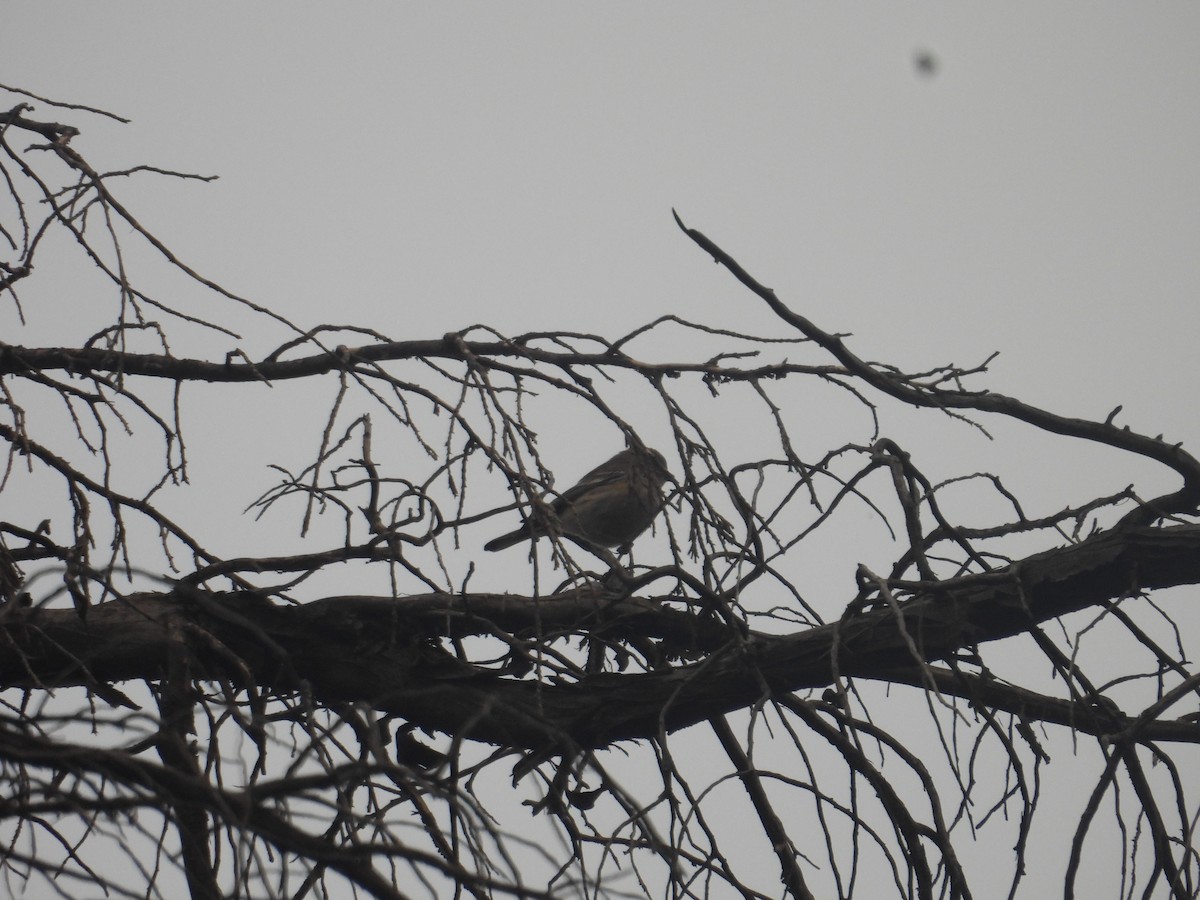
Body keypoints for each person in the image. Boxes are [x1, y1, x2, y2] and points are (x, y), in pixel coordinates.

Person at [484, 446, 671, 552]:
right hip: (575, 514)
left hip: (596, 534)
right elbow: (575, 493)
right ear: (644, 465)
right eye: (658, 470)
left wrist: (624, 542)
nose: (662, 478)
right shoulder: (628, 473)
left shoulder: (655, 499)